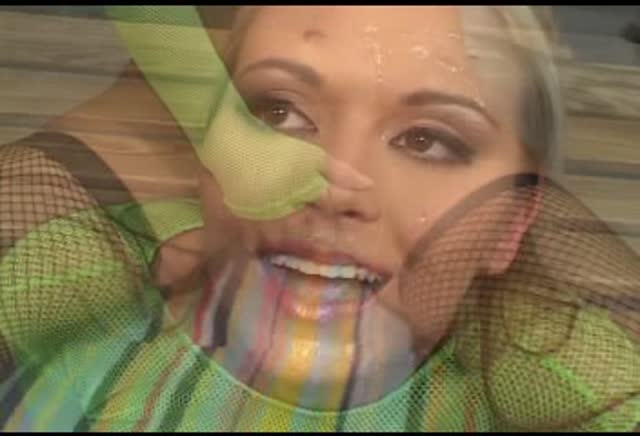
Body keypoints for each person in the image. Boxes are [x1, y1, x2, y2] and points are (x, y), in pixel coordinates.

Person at [0, 6, 637, 432]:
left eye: (427, 141)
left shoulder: (553, 369)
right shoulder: (77, 286)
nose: (333, 188)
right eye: (277, 112)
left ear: (515, 224)